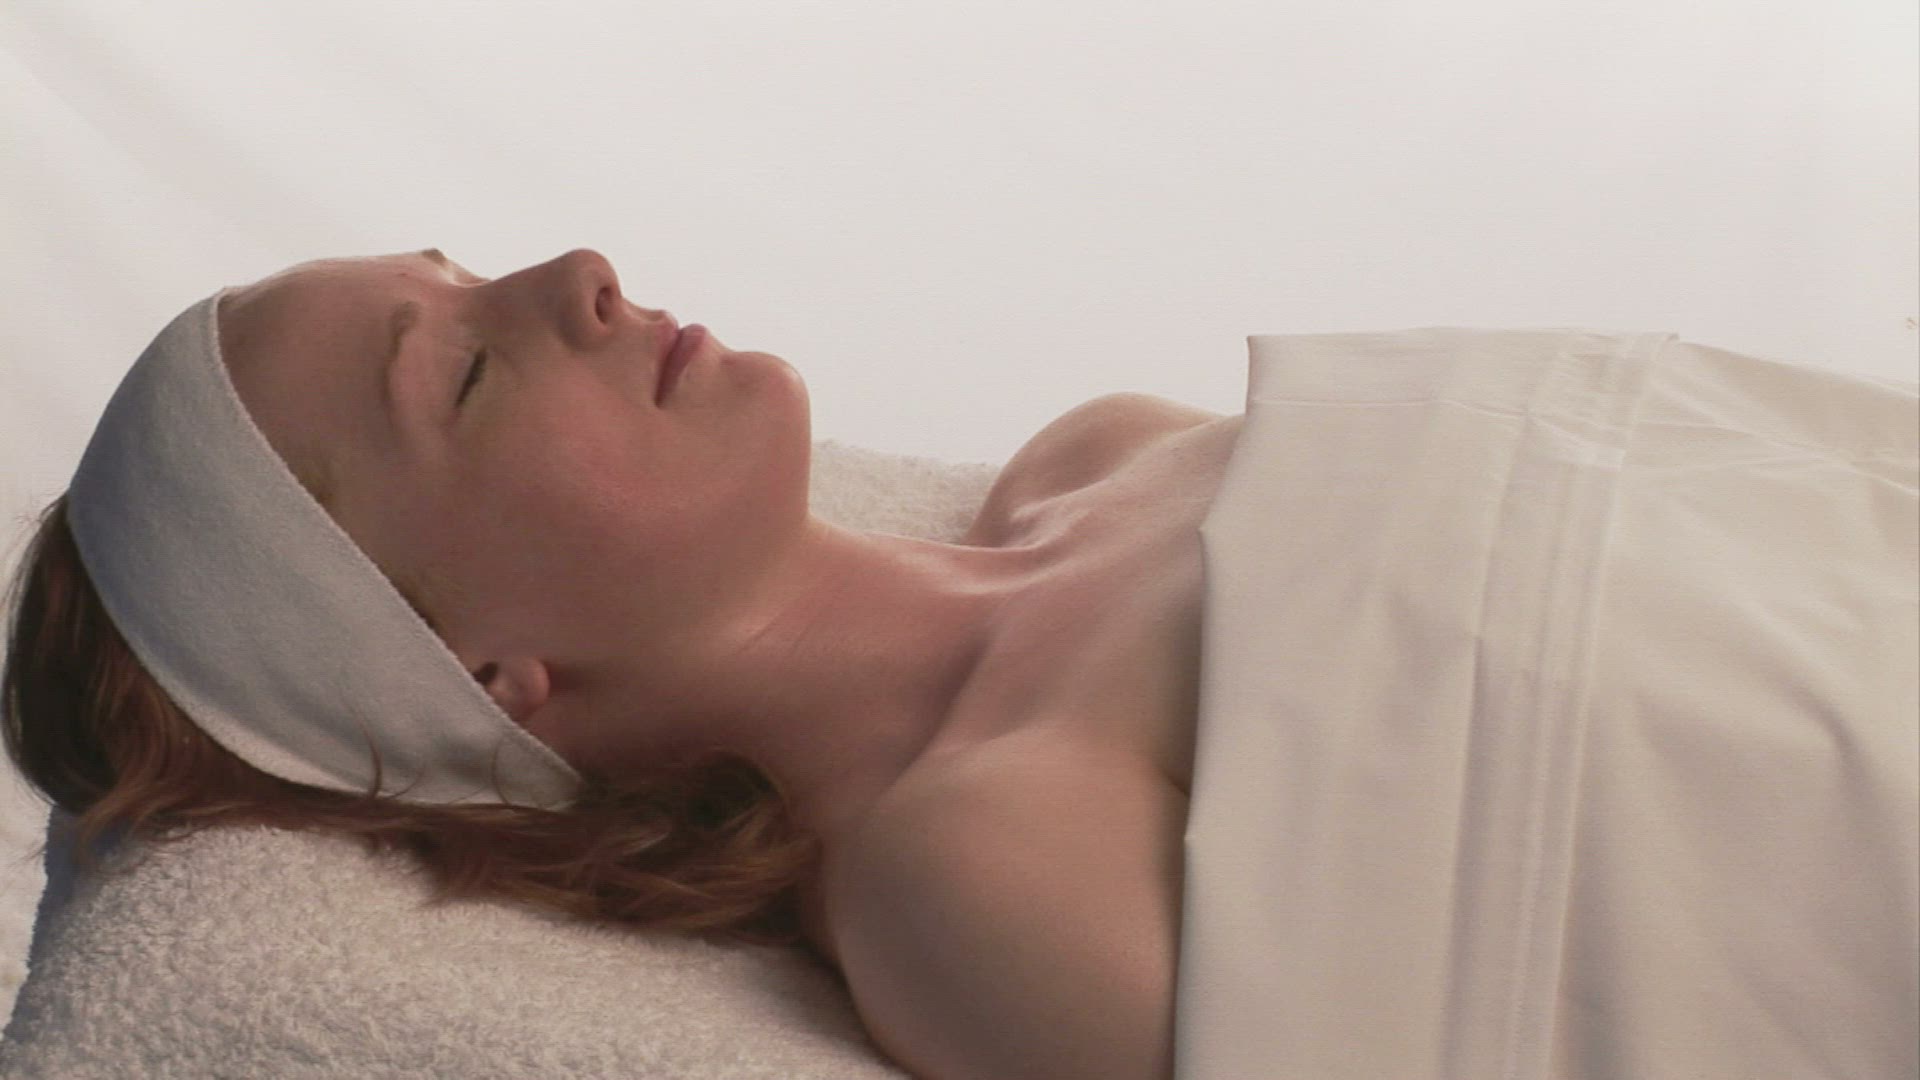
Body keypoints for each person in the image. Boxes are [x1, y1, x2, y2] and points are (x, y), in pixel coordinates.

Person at [2, 247, 1243, 1080]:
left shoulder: (1100, 452)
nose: (580, 273)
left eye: (472, 274)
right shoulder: (977, 877)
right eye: (468, 374)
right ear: (478, 676)